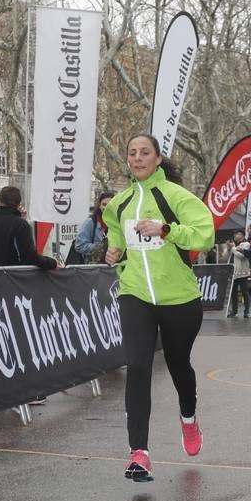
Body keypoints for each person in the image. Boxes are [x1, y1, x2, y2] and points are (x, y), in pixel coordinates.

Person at [102, 134, 215, 482]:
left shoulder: (175, 196)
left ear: (157, 158)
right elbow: (115, 234)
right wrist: (114, 252)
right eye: (132, 153)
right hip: (136, 295)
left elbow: (204, 234)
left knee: (179, 364)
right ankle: (139, 453)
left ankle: (188, 418)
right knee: (138, 365)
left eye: (144, 153)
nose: (137, 158)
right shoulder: (119, 203)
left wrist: (166, 229)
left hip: (179, 298)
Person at [0, 185, 61, 271]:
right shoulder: (20, 225)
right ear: (18, 204)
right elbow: (29, 257)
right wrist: (52, 263)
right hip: (14, 277)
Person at [69, 191, 115, 265]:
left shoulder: (117, 224)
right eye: (104, 204)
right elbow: (79, 245)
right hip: (93, 269)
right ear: (99, 205)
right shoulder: (91, 222)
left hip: (111, 269)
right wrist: (100, 247)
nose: (106, 207)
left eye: (110, 205)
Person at [227, 230, 251, 318]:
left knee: (244, 292)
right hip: (233, 273)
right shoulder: (235, 246)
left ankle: (246, 311)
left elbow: (242, 256)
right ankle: (234, 312)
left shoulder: (246, 244)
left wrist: (233, 248)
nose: (234, 235)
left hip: (242, 272)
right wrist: (228, 249)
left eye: (237, 234)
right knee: (233, 293)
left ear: (241, 235)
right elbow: (225, 257)